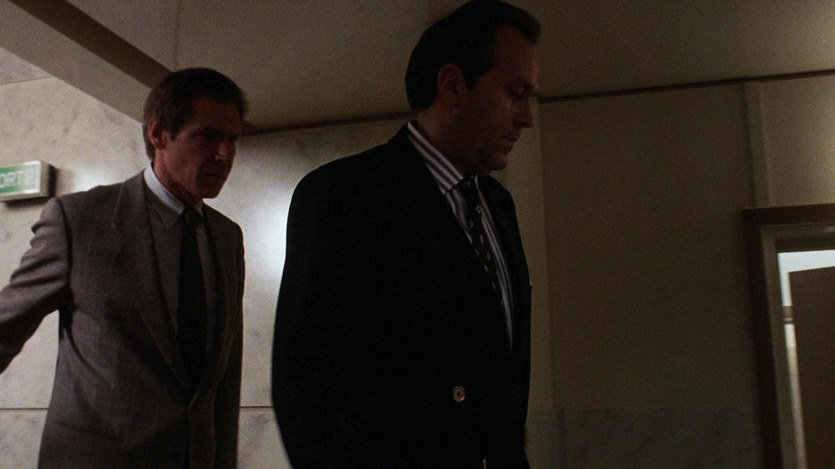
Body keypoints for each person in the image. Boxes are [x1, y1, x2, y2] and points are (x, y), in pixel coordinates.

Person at [272, 1, 540, 467]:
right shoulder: (344, 196)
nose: (527, 117)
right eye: (515, 93)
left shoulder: (499, 205)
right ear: (452, 86)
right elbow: (308, 393)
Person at [0, 67, 247, 468]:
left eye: (232, 140)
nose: (224, 155)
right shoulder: (80, 220)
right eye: (208, 136)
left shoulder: (226, 237)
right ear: (158, 134)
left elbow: (224, 373)